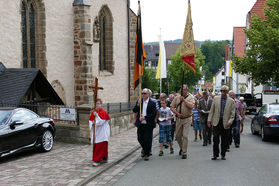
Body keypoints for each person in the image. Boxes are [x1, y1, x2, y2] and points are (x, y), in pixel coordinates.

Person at [207, 85, 235, 160]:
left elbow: (233, 114)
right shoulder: (215, 99)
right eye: (221, 91)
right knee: (215, 139)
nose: (222, 92)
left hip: (225, 123)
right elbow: (212, 111)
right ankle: (215, 154)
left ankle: (223, 154)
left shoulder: (231, 101)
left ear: (227, 92)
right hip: (216, 122)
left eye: (224, 91)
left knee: (224, 140)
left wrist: (230, 121)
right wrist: (209, 120)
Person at [170, 85, 195, 159]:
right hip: (179, 119)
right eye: (181, 89)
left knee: (185, 136)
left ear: (187, 90)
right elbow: (171, 107)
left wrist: (184, 100)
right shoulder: (176, 98)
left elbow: (192, 106)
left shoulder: (191, 97)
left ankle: (184, 152)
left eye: (184, 89)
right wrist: (177, 113)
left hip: (187, 118)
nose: (182, 91)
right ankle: (181, 147)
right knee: (178, 136)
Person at [133, 88, 157, 161]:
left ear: (148, 94)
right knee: (140, 138)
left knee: (147, 139)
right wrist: (137, 105)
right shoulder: (140, 101)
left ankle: (146, 153)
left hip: (148, 124)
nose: (143, 95)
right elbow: (134, 110)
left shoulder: (152, 103)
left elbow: (153, 114)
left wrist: (145, 117)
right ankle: (144, 149)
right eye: (142, 93)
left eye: (144, 93)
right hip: (140, 124)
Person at [89, 99, 111, 167]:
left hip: (102, 132)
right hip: (97, 132)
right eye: (96, 104)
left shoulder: (103, 112)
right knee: (98, 145)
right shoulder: (94, 112)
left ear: (101, 105)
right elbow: (90, 121)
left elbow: (101, 122)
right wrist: (92, 123)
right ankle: (104, 158)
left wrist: (97, 116)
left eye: (99, 104)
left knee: (101, 146)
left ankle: (96, 160)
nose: (97, 105)